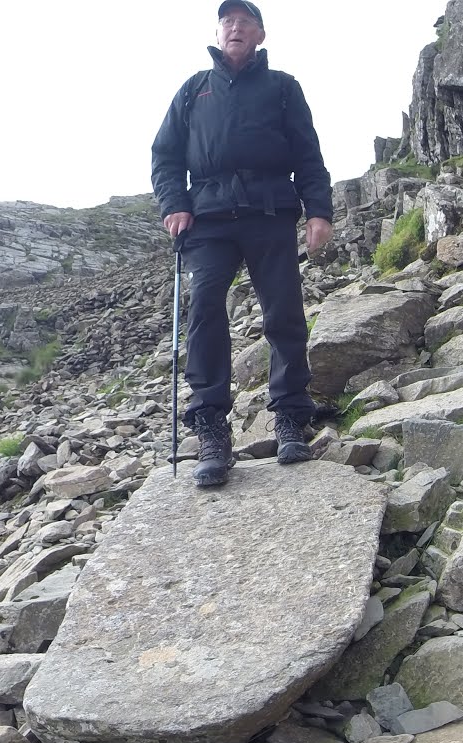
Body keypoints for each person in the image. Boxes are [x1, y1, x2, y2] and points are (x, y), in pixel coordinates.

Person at [151, 0, 333, 487]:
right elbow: (165, 155)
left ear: (260, 34)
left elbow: (308, 153)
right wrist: (174, 204)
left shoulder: (282, 87)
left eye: (244, 22)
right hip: (207, 217)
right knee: (206, 308)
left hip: (270, 211)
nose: (234, 27)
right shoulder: (194, 89)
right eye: (227, 21)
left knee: (284, 313)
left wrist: (319, 210)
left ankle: (292, 418)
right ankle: (211, 430)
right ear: (218, 31)